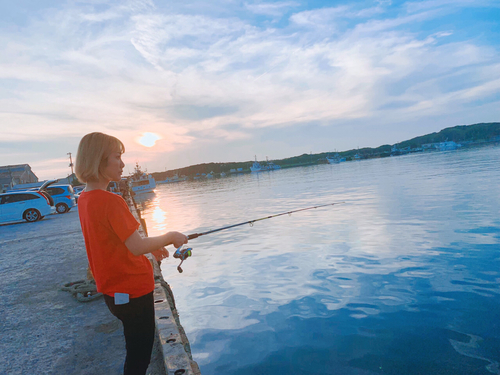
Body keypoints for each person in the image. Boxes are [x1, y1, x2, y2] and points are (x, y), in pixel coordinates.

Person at [75, 132, 188, 375]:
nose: (123, 164)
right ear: (99, 159)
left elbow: (115, 241)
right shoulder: (111, 201)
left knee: (134, 348)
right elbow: (136, 247)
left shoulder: (84, 199)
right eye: (117, 157)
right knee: (139, 356)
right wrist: (169, 236)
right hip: (133, 293)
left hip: (112, 292)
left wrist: (152, 245)